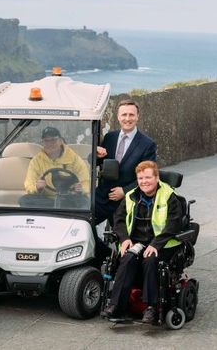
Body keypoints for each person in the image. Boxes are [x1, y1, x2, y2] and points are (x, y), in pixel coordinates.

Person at [100, 161, 183, 323]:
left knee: (150, 260)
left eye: (148, 177)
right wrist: (124, 239)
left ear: (157, 178)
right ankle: (116, 306)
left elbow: (174, 224)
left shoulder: (168, 196)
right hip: (137, 241)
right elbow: (119, 219)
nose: (144, 181)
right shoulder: (131, 196)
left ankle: (151, 307)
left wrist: (155, 244)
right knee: (127, 258)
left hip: (163, 243)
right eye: (140, 178)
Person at [95, 99, 157, 225]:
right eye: (124, 114)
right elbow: (96, 162)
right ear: (118, 117)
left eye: (131, 115)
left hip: (128, 200)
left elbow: (148, 177)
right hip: (102, 197)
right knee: (83, 226)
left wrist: (124, 191)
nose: (127, 118)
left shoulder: (147, 144)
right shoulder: (109, 137)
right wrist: (96, 155)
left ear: (137, 117)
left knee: (123, 239)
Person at [20, 126, 90, 208]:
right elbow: (29, 184)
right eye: (46, 141)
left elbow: (86, 182)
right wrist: (37, 187)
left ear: (60, 141)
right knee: (24, 200)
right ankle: (58, 210)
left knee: (85, 201)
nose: (49, 144)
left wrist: (80, 188)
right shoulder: (36, 161)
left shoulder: (74, 159)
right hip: (47, 199)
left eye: (53, 140)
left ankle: (56, 210)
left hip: (69, 198)